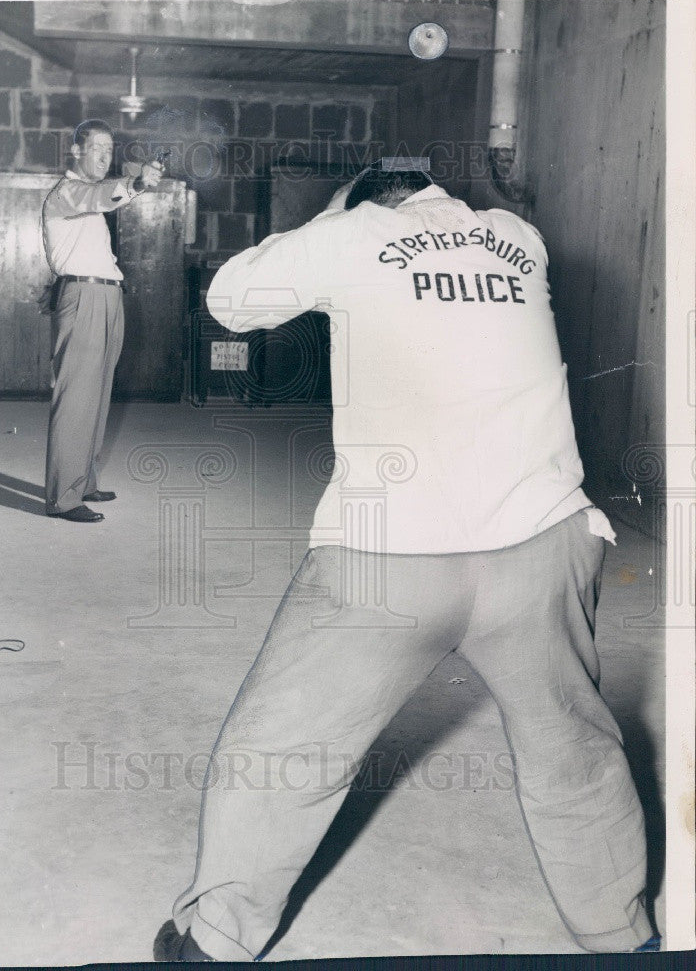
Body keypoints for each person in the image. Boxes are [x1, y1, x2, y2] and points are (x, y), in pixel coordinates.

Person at [154, 164, 659, 959]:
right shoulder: (516, 238)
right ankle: (621, 932)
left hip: (391, 560)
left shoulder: (353, 234)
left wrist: (326, 224)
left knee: (284, 749)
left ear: (359, 204)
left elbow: (229, 298)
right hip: (543, 547)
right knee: (573, 750)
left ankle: (214, 939)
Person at [41, 120, 164, 523]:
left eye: (109, 150)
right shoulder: (66, 193)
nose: (104, 156)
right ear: (75, 151)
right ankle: (64, 496)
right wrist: (137, 183)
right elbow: (100, 194)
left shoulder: (88, 197)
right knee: (77, 395)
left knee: (98, 394)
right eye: (96, 148)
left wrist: (137, 179)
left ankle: (84, 480)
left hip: (109, 295)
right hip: (84, 296)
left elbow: (107, 190)